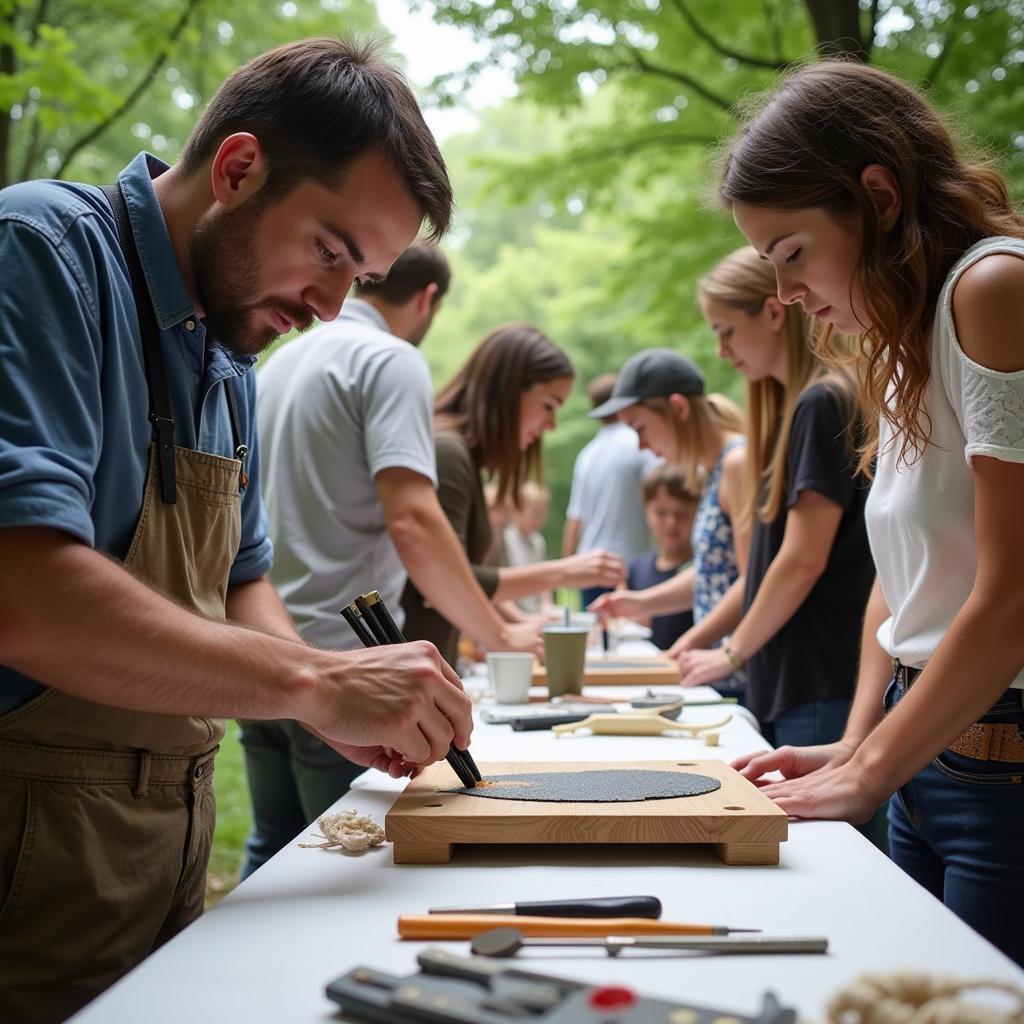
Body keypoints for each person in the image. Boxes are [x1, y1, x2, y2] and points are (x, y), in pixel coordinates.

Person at [0, 38, 471, 1022]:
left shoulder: (223, 350)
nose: (332, 306)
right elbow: (27, 598)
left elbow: (242, 580)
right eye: (332, 252)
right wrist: (319, 679)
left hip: (157, 860)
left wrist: (327, 709)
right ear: (238, 168)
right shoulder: (40, 251)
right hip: (24, 873)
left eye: (365, 273)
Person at [721, 61, 1024, 965]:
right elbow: (899, 591)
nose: (784, 296)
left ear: (879, 197)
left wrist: (869, 771)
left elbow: (1010, 596)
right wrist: (859, 742)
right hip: (925, 754)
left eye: (792, 253)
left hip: (1000, 770)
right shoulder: (898, 344)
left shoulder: (993, 288)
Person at [242, 243, 539, 877]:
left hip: (261, 645)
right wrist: (500, 635)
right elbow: (413, 520)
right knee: (347, 870)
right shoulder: (390, 360)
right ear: (428, 298)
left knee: (273, 854)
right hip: (347, 664)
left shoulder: (276, 363)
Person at [669, 246, 873, 756]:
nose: (721, 351)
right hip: (799, 682)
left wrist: (731, 655)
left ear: (774, 313)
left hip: (821, 683)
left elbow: (803, 560)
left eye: (725, 330)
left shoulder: (823, 403)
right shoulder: (799, 410)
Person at [401, 324, 626, 665]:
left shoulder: (456, 453)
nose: (551, 425)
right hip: (410, 669)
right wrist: (563, 572)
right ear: (509, 391)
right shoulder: (448, 452)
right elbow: (440, 582)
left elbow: (460, 577)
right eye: (549, 405)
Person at [589, 350, 749, 698]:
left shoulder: (738, 463)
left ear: (678, 408)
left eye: (641, 428)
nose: (642, 446)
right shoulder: (716, 469)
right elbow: (717, 570)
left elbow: (754, 578)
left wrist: (686, 644)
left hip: (743, 672)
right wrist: (642, 602)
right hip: (720, 674)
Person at [563, 373, 660, 607]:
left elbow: (576, 520)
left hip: (589, 566)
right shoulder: (640, 445)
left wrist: (568, 568)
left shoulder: (586, 455)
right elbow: (659, 498)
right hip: (630, 565)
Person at [625, 465, 698, 651]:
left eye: (682, 513)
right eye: (661, 512)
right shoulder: (633, 569)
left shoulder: (704, 571)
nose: (671, 522)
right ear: (646, 512)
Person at [503, 482, 553, 613]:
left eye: (543, 514)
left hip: (534, 611)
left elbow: (544, 580)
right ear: (517, 510)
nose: (540, 520)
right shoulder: (506, 539)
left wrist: (547, 605)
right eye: (535, 514)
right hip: (515, 612)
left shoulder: (538, 541)